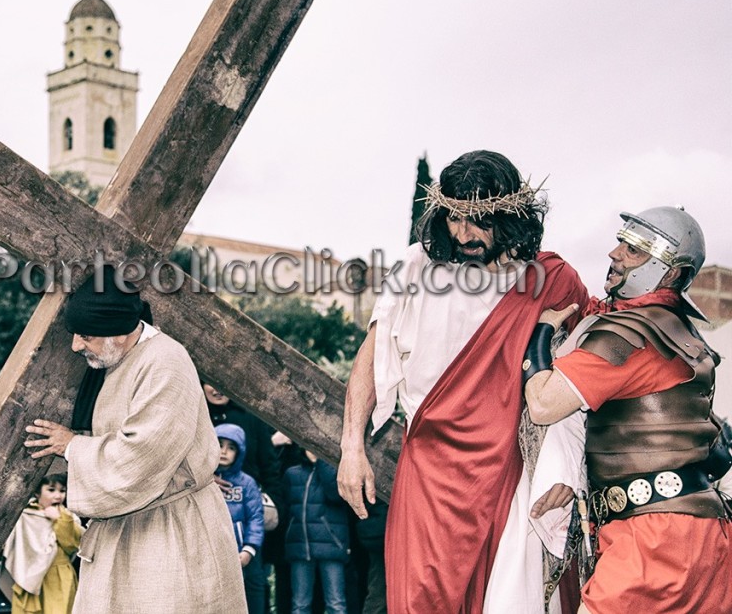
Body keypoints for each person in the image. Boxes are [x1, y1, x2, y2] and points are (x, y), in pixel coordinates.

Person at [337, 150, 590, 613]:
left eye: (480, 221)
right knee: (418, 599)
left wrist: (564, 467)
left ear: (512, 215)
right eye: (454, 218)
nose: (464, 234)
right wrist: (351, 447)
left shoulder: (553, 281)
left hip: (509, 469)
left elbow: (579, 385)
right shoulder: (417, 267)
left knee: (506, 601)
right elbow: (370, 360)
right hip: (429, 470)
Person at [0, 265, 245, 613]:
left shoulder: (165, 362)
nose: (75, 345)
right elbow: (63, 435)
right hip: (127, 533)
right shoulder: (109, 361)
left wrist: (72, 445)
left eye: (85, 334)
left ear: (117, 330)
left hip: (173, 536)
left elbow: (140, 460)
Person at [524, 206, 732, 613]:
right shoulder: (681, 332)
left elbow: (544, 403)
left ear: (670, 273)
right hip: (703, 531)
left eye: (634, 250)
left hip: (654, 541)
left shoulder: (631, 333)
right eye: (622, 241)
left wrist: (541, 333)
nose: (615, 253)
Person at [203, 381, 284, 611]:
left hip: (246, 519)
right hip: (208, 521)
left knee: (254, 584)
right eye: (211, 382)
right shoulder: (193, 414)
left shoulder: (250, 417)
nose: (218, 389)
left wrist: (275, 503)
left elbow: (270, 466)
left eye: (223, 383)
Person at [1, 473, 84, 614]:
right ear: (37, 492)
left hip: (58, 576)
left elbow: (71, 545)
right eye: (51, 490)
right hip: (28, 573)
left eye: (62, 491)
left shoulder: (68, 517)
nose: (58, 496)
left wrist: (60, 519)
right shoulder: (24, 515)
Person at [284, 450, 350, 614]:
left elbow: (335, 495)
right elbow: (286, 507)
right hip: (301, 546)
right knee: (300, 604)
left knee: (336, 603)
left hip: (331, 545)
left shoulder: (338, 473)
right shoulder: (292, 473)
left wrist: (323, 461)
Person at [215, 423, 266, 614]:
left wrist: (249, 549)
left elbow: (255, 518)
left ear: (240, 451)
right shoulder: (202, 480)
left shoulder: (247, 483)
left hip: (243, 553)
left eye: (231, 447)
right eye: (220, 445)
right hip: (215, 553)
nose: (224, 452)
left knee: (252, 596)